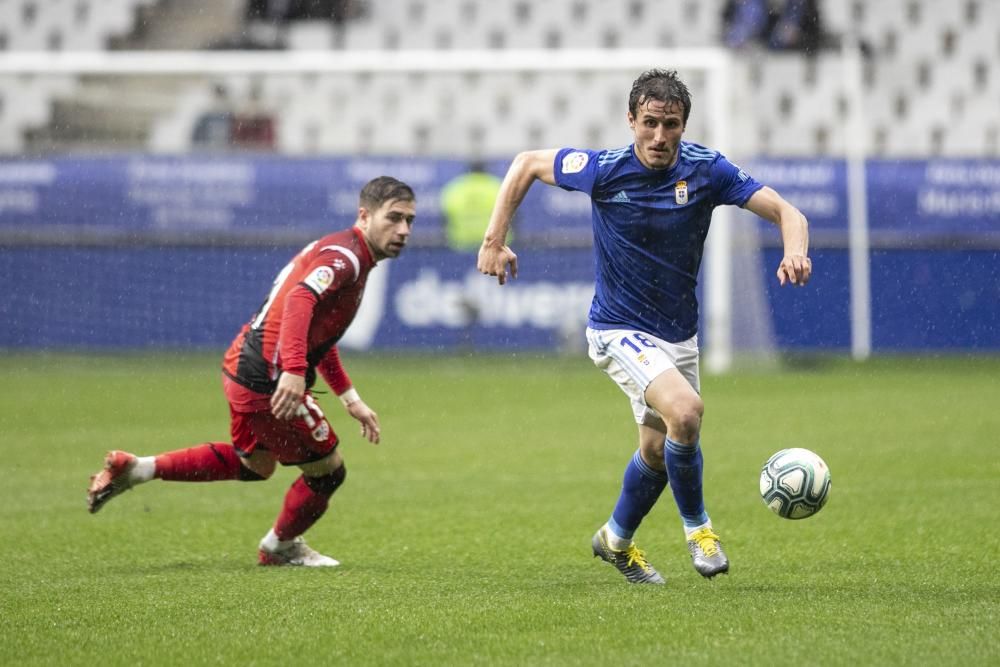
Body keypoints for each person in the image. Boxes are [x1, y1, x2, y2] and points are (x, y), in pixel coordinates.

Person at [477, 69, 811, 585]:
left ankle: (615, 539)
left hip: (678, 336)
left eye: (670, 125)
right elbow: (525, 164)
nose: (659, 136)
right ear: (630, 120)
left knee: (657, 453)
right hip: (616, 329)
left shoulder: (707, 170)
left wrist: (795, 250)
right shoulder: (602, 169)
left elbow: (787, 211)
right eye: (649, 123)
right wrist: (494, 239)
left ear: (684, 125)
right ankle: (700, 532)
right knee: (688, 410)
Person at [87, 176, 417, 567]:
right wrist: (293, 372)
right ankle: (279, 547)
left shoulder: (340, 249)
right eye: (393, 218)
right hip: (268, 378)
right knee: (328, 473)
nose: (403, 230)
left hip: (244, 364)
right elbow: (299, 301)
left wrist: (350, 397)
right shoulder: (345, 260)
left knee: (256, 465)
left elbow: (317, 335)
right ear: (364, 215)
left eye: (410, 221)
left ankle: (139, 469)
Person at [440, 160, 504, 252]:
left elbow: (445, 219)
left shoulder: (455, 188)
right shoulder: (497, 186)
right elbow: (513, 216)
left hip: (461, 244)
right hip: (493, 245)